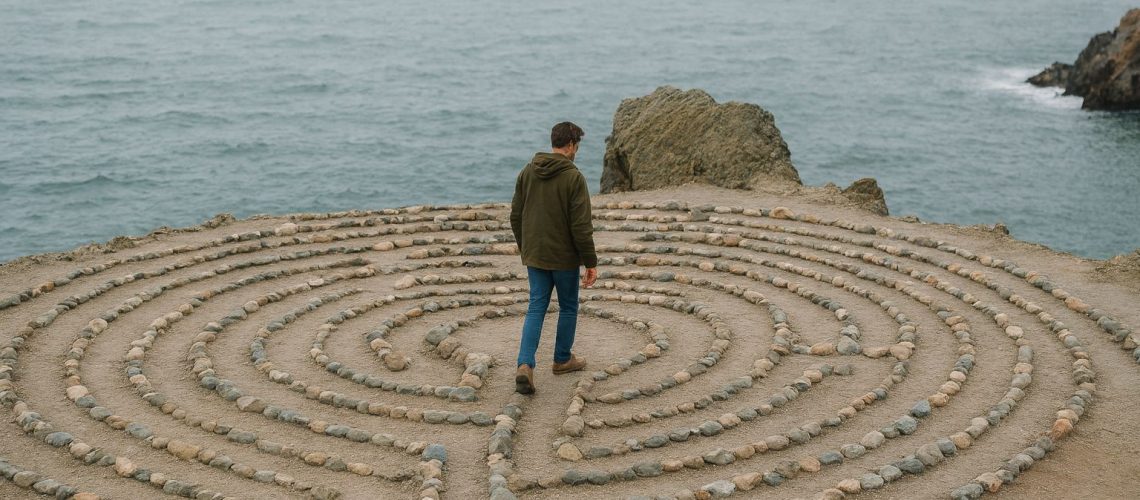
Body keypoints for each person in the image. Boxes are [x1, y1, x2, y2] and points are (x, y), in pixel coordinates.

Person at [510, 121, 598, 395]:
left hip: (535, 255)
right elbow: (581, 226)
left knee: (536, 306)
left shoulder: (528, 171)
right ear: (571, 145)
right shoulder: (574, 177)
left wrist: (527, 246)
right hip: (563, 258)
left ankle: (525, 365)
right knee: (569, 306)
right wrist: (590, 261)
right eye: (577, 146)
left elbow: (515, 215)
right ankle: (562, 359)